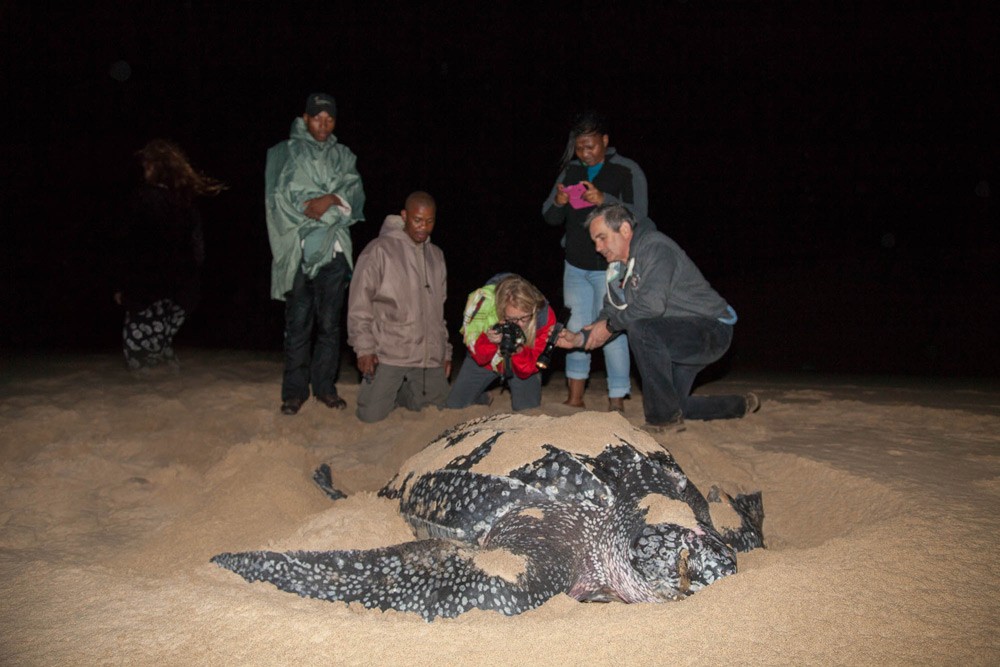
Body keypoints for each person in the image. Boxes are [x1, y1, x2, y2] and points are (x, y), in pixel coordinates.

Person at [557, 203, 760, 431]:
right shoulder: (616, 269)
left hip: (711, 330)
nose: (597, 247)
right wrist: (579, 339)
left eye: (602, 238)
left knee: (641, 329)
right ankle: (740, 405)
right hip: (673, 337)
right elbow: (610, 314)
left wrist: (610, 326)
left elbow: (650, 306)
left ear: (624, 229)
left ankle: (663, 421)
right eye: (595, 240)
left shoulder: (655, 247)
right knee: (673, 402)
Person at [265, 92, 365, 415]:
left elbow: (355, 197)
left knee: (329, 325)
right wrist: (328, 204)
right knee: (298, 323)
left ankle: (324, 388)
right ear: (305, 118)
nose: (323, 124)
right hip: (298, 248)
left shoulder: (344, 155)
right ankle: (294, 392)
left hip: (335, 251)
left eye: (330, 118)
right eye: (317, 117)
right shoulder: (285, 153)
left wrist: (330, 200)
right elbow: (281, 200)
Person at [542, 110, 648, 413]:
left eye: (591, 146)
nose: (585, 153)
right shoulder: (570, 171)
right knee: (575, 327)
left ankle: (617, 400)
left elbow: (640, 215)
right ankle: (575, 397)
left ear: (605, 140)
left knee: (611, 328)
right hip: (575, 264)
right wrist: (559, 203)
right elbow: (549, 217)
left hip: (612, 267)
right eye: (579, 147)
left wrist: (605, 200)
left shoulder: (627, 170)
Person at [113, 139, 225, 375]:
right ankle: (168, 372)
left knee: (137, 352)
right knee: (159, 342)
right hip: (182, 294)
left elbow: (130, 247)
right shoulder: (186, 204)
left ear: (155, 167)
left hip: (148, 291)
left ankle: (153, 385)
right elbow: (198, 251)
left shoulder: (142, 198)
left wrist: (123, 287)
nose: (144, 170)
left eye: (146, 165)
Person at [347, 191, 452, 423]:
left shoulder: (436, 256)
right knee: (370, 416)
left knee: (441, 413)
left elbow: (438, 312)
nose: (423, 227)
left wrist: (444, 351)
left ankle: (403, 392)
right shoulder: (379, 250)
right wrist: (364, 349)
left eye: (429, 221)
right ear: (404, 216)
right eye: (417, 220)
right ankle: (390, 389)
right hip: (389, 353)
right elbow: (359, 304)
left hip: (426, 357)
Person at [446, 274, 557, 411]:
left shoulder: (544, 317)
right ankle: (483, 398)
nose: (520, 324)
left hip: (521, 360)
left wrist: (517, 350)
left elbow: (529, 367)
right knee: (454, 406)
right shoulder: (483, 307)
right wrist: (490, 341)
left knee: (527, 411)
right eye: (513, 319)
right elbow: (479, 358)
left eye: (525, 318)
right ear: (500, 311)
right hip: (487, 361)